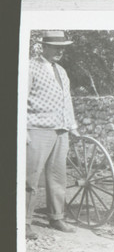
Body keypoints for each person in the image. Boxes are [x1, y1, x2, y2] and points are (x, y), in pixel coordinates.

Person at [25, 31, 80, 240]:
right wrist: (21, 130)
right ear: (43, 47)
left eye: (63, 47)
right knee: (30, 177)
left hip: (61, 130)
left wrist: (72, 125)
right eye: (56, 47)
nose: (60, 51)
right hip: (37, 129)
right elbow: (19, 98)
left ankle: (56, 217)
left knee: (58, 177)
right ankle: (24, 222)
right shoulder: (30, 67)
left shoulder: (62, 71)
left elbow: (67, 99)